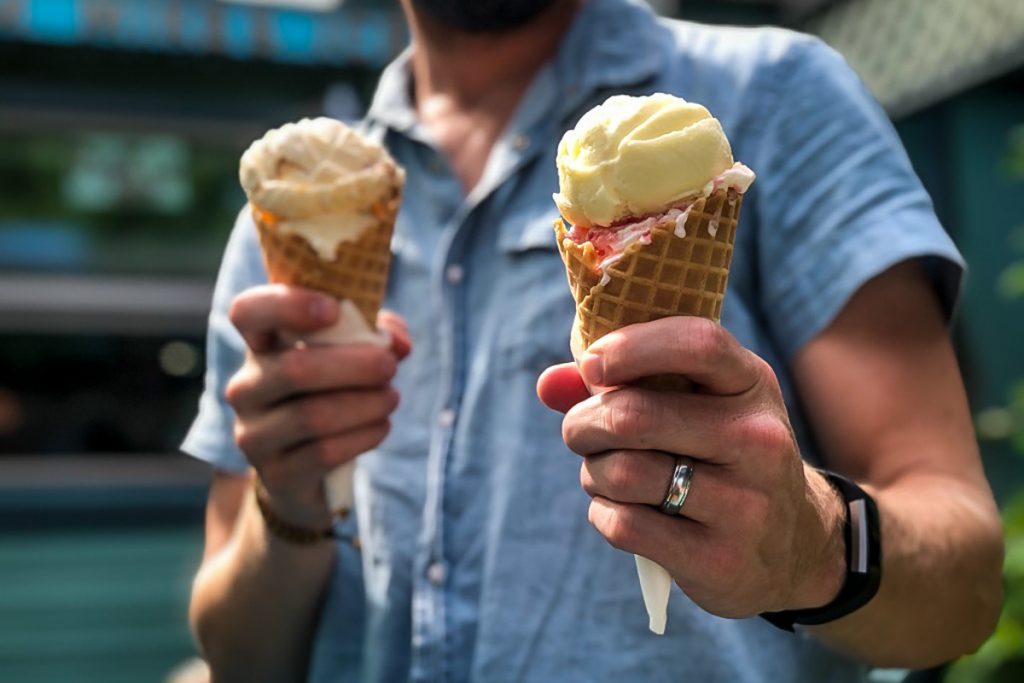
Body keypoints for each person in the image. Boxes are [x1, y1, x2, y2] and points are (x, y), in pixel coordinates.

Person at [182, 0, 1004, 681]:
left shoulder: (778, 95)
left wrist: (811, 545)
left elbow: (965, 587)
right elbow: (235, 657)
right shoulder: (295, 203)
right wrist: (287, 503)